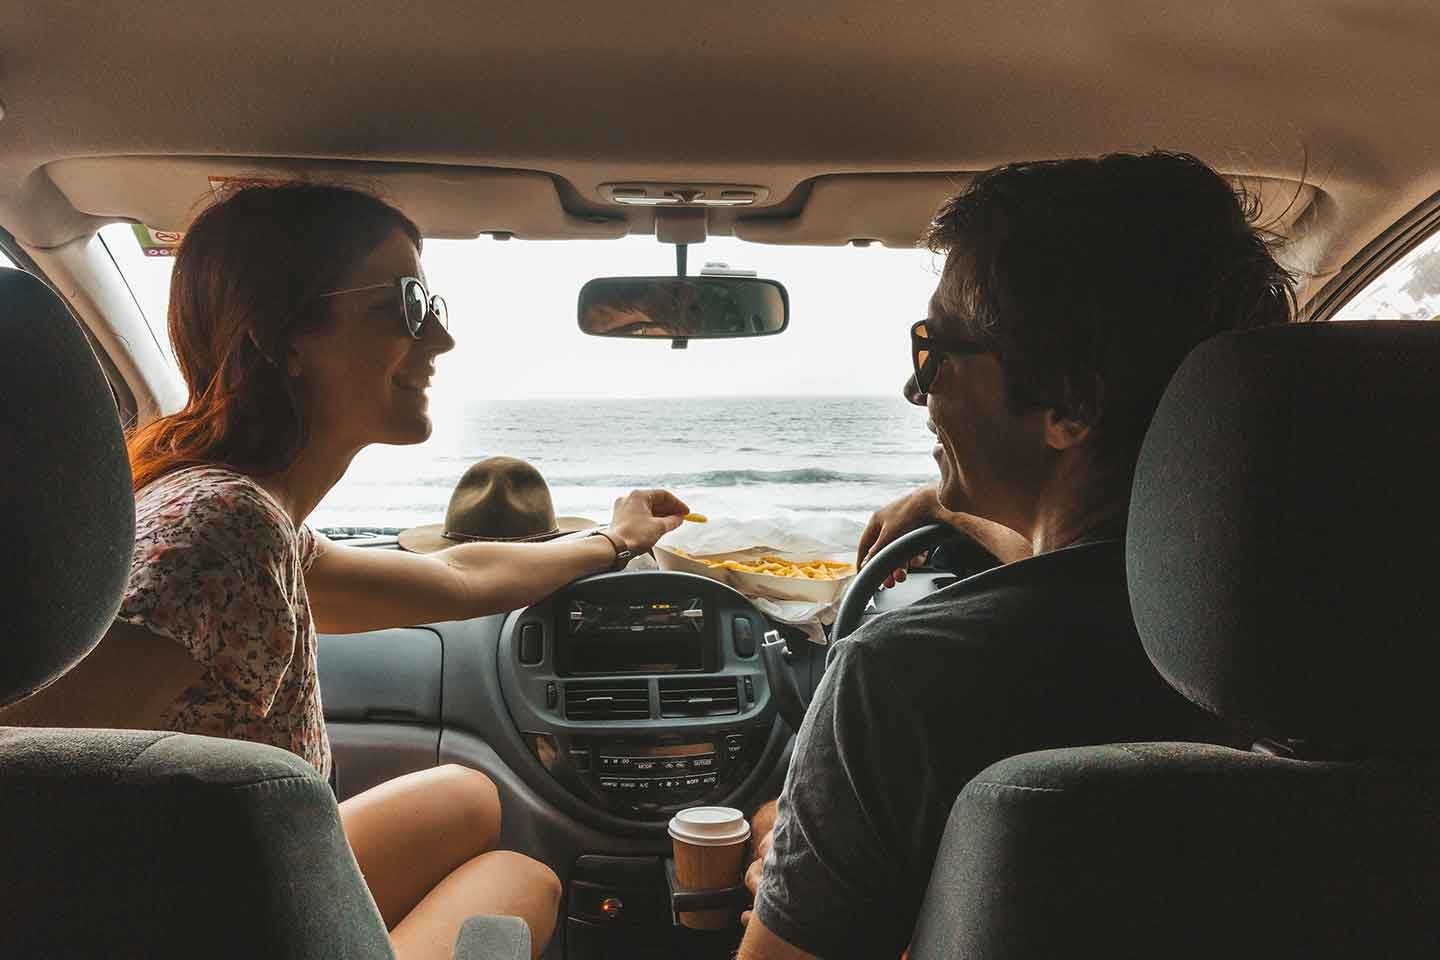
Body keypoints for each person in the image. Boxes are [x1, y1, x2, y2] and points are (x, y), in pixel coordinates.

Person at [0, 183, 689, 960]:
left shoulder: (249, 515)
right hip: (192, 922)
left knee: (466, 796)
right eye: (406, 306)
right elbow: (29, 778)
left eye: (435, 307)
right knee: (517, 880)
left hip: (214, 876)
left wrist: (615, 540)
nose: (440, 342)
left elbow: (460, 578)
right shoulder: (225, 528)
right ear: (285, 337)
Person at [737, 151, 1297, 960]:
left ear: (1068, 402)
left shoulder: (902, 681)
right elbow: (1091, 555)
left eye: (936, 350)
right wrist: (942, 501)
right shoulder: (1362, 646)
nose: (916, 389)